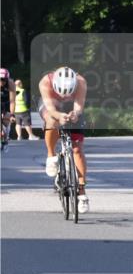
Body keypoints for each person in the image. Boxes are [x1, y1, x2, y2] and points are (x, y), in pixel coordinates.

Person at [39, 66, 89, 213]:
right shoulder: (45, 82)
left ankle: (81, 191)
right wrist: (59, 116)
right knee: (51, 120)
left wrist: (75, 114)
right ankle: (50, 155)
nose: (64, 96)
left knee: (77, 149)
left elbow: (78, 107)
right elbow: (50, 109)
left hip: (71, 107)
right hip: (52, 106)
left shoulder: (80, 82)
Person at [0, 68, 13, 149]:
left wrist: (12, 115)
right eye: (0, 79)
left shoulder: (11, 84)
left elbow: (13, 101)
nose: (2, 81)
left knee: (6, 122)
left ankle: (6, 137)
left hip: (7, 103)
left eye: (4, 80)